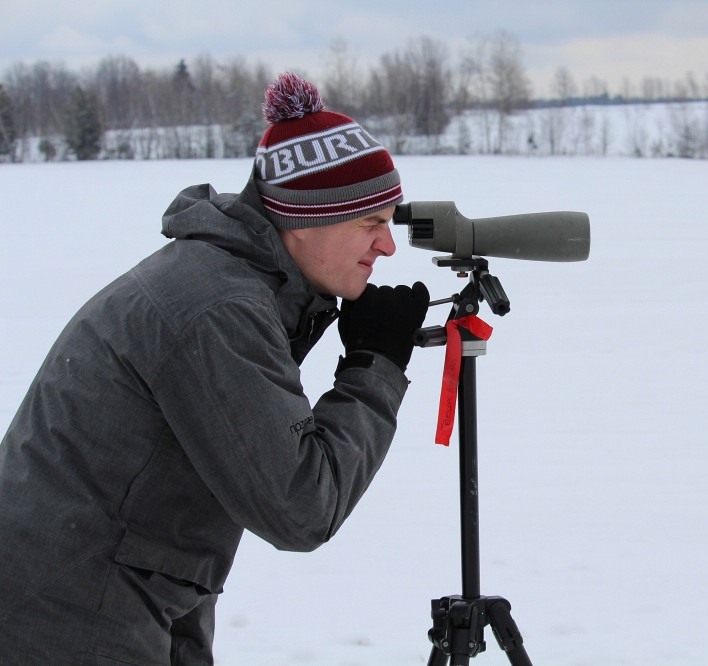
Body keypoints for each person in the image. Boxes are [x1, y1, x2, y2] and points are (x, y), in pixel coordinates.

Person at [0, 72, 429, 664]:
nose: (388, 246)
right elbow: (300, 506)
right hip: (69, 605)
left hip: (112, 585)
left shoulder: (232, 282)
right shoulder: (217, 308)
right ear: (308, 219)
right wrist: (374, 366)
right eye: (371, 223)